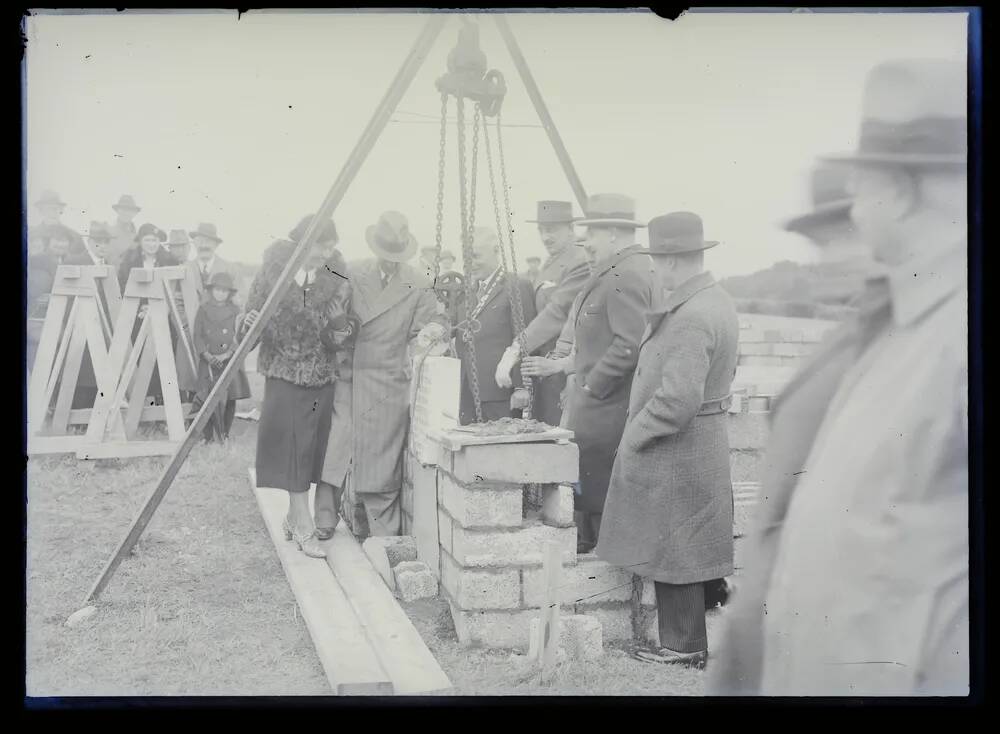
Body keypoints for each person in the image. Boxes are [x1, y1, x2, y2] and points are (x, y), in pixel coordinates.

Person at [709, 59, 969, 696]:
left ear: (901, 192)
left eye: (862, 187)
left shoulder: (952, 337)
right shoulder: (900, 328)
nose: (853, 212)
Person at [598, 212, 739, 669]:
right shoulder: (715, 301)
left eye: (658, 260)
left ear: (675, 261)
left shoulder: (692, 315)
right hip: (699, 443)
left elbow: (677, 400)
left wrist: (635, 434)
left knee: (677, 545)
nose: (656, 270)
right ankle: (691, 642)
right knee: (691, 541)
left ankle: (682, 648)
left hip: (679, 447)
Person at [325, 211, 443, 538]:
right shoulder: (351, 273)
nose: (390, 263)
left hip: (389, 385)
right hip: (351, 379)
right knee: (341, 454)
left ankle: (383, 540)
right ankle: (339, 521)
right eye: (385, 255)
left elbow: (427, 326)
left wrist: (431, 331)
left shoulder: (418, 283)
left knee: (381, 468)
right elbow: (335, 319)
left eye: (397, 258)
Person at [241, 214, 353, 558]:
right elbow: (250, 317)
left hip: (319, 375)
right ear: (301, 242)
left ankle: (293, 516)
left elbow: (342, 334)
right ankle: (303, 524)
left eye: (330, 246)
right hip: (283, 372)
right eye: (320, 245)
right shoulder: (273, 270)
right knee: (291, 446)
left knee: (309, 449)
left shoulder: (336, 277)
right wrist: (247, 323)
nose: (325, 253)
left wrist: (337, 325)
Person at [563, 193, 655, 554]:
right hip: (600, 408)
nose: (587, 242)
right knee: (593, 498)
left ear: (614, 233)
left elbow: (629, 344)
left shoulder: (625, 274)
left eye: (593, 234)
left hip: (606, 409)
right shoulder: (620, 269)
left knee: (602, 503)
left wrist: (591, 385)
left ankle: (605, 582)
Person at [495, 201, 590, 427]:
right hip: (543, 369)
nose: (546, 237)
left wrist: (517, 347)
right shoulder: (551, 262)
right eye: (542, 230)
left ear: (570, 229)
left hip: (563, 367)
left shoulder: (579, 261)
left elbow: (556, 312)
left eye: (552, 230)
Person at [454, 226, 537, 424]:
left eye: (475, 256)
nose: (470, 263)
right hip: (466, 393)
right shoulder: (465, 292)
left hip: (501, 394)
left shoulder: (516, 285)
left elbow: (526, 337)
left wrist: (520, 387)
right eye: (466, 257)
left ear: (495, 251)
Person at [177, 223, 241, 400]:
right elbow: (176, 302)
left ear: (216, 244)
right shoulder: (183, 268)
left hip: (222, 341)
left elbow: (238, 306)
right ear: (194, 243)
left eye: (209, 241)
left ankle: (222, 426)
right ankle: (193, 425)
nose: (204, 244)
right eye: (200, 240)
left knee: (224, 387)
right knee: (192, 383)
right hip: (192, 334)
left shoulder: (231, 269)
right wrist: (188, 325)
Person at [118, 223, 180, 406]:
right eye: (148, 240)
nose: (152, 244)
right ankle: (140, 403)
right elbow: (123, 288)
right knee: (138, 358)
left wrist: (156, 308)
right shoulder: (129, 261)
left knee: (162, 361)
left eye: (155, 240)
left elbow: (174, 291)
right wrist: (140, 308)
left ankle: (163, 404)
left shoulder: (169, 260)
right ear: (141, 242)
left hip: (163, 317)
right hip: (138, 316)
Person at [192, 271, 251, 442]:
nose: (220, 293)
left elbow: (240, 335)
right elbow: (197, 335)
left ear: (229, 293)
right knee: (207, 397)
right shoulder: (203, 309)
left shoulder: (235, 311)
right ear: (211, 291)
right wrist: (206, 354)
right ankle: (208, 435)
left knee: (230, 396)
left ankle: (224, 432)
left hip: (229, 360)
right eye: (217, 290)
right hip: (208, 361)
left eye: (224, 291)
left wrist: (228, 354)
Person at [65, 222, 118, 409]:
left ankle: (93, 416)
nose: (103, 246)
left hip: (102, 326)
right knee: (81, 371)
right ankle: (78, 416)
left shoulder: (109, 266)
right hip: (80, 325)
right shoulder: (75, 261)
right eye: (98, 242)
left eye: (106, 242)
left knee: (98, 372)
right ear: (90, 242)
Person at [29, 190, 85, 257]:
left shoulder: (74, 237)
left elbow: (83, 263)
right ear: (40, 211)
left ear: (61, 210)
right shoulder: (31, 235)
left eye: (55, 209)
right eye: (48, 209)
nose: (52, 213)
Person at [108, 194, 142, 267]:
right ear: (117, 211)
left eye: (129, 210)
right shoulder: (109, 233)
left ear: (134, 213)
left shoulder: (138, 235)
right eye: (123, 209)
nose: (126, 213)